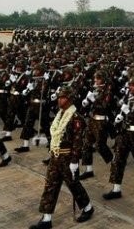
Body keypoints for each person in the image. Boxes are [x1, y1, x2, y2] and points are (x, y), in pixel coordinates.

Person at [29, 86, 94, 229]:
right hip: (55, 155)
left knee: (74, 185)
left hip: (67, 157)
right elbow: (56, 135)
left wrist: (75, 161)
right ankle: (46, 219)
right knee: (50, 185)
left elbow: (78, 142)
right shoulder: (59, 115)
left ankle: (88, 207)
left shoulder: (76, 118)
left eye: (63, 97)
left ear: (70, 99)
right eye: (59, 97)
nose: (59, 100)